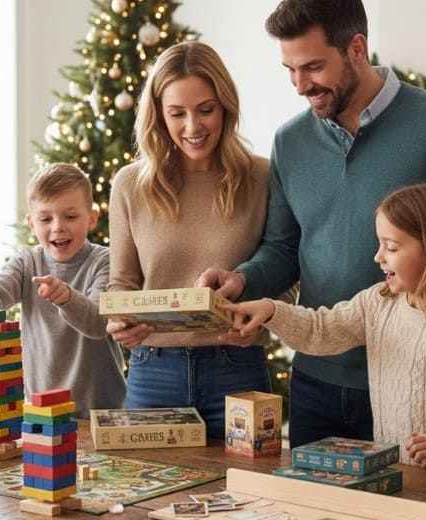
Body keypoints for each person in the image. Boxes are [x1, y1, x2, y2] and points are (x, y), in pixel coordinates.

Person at [197, 0, 426, 448]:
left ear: (356, 48)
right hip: (315, 380)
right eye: (289, 69)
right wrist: (242, 279)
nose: (300, 85)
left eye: (313, 67)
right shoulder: (291, 140)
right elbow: (284, 249)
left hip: (414, 386)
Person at [220, 183, 426, 473]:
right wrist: (272, 310)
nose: (378, 256)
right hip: (393, 475)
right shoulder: (378, 303)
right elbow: (322, 330)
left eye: (391, 247)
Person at [105, 41, 272, 439]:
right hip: (153, 370)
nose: (193, 128)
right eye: (177, 113)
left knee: (249, 496)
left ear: (226, 107)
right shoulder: (130, 184)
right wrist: (119, 322)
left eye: (206, 110)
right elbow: (122, 283)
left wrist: (265, 311)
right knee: (141, 498)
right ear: (159, 115)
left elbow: (285, 272)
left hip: (238, 367)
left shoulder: (262, 177)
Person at [0, 163, 125, 418]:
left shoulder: (104, 261)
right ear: (31, 223)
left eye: (70, 217)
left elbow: (97, 321)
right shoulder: (27, 262)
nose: (58, 226)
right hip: (43, 412)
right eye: (45, 219)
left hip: (101, 410)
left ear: (92, 218)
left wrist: (66, 297)